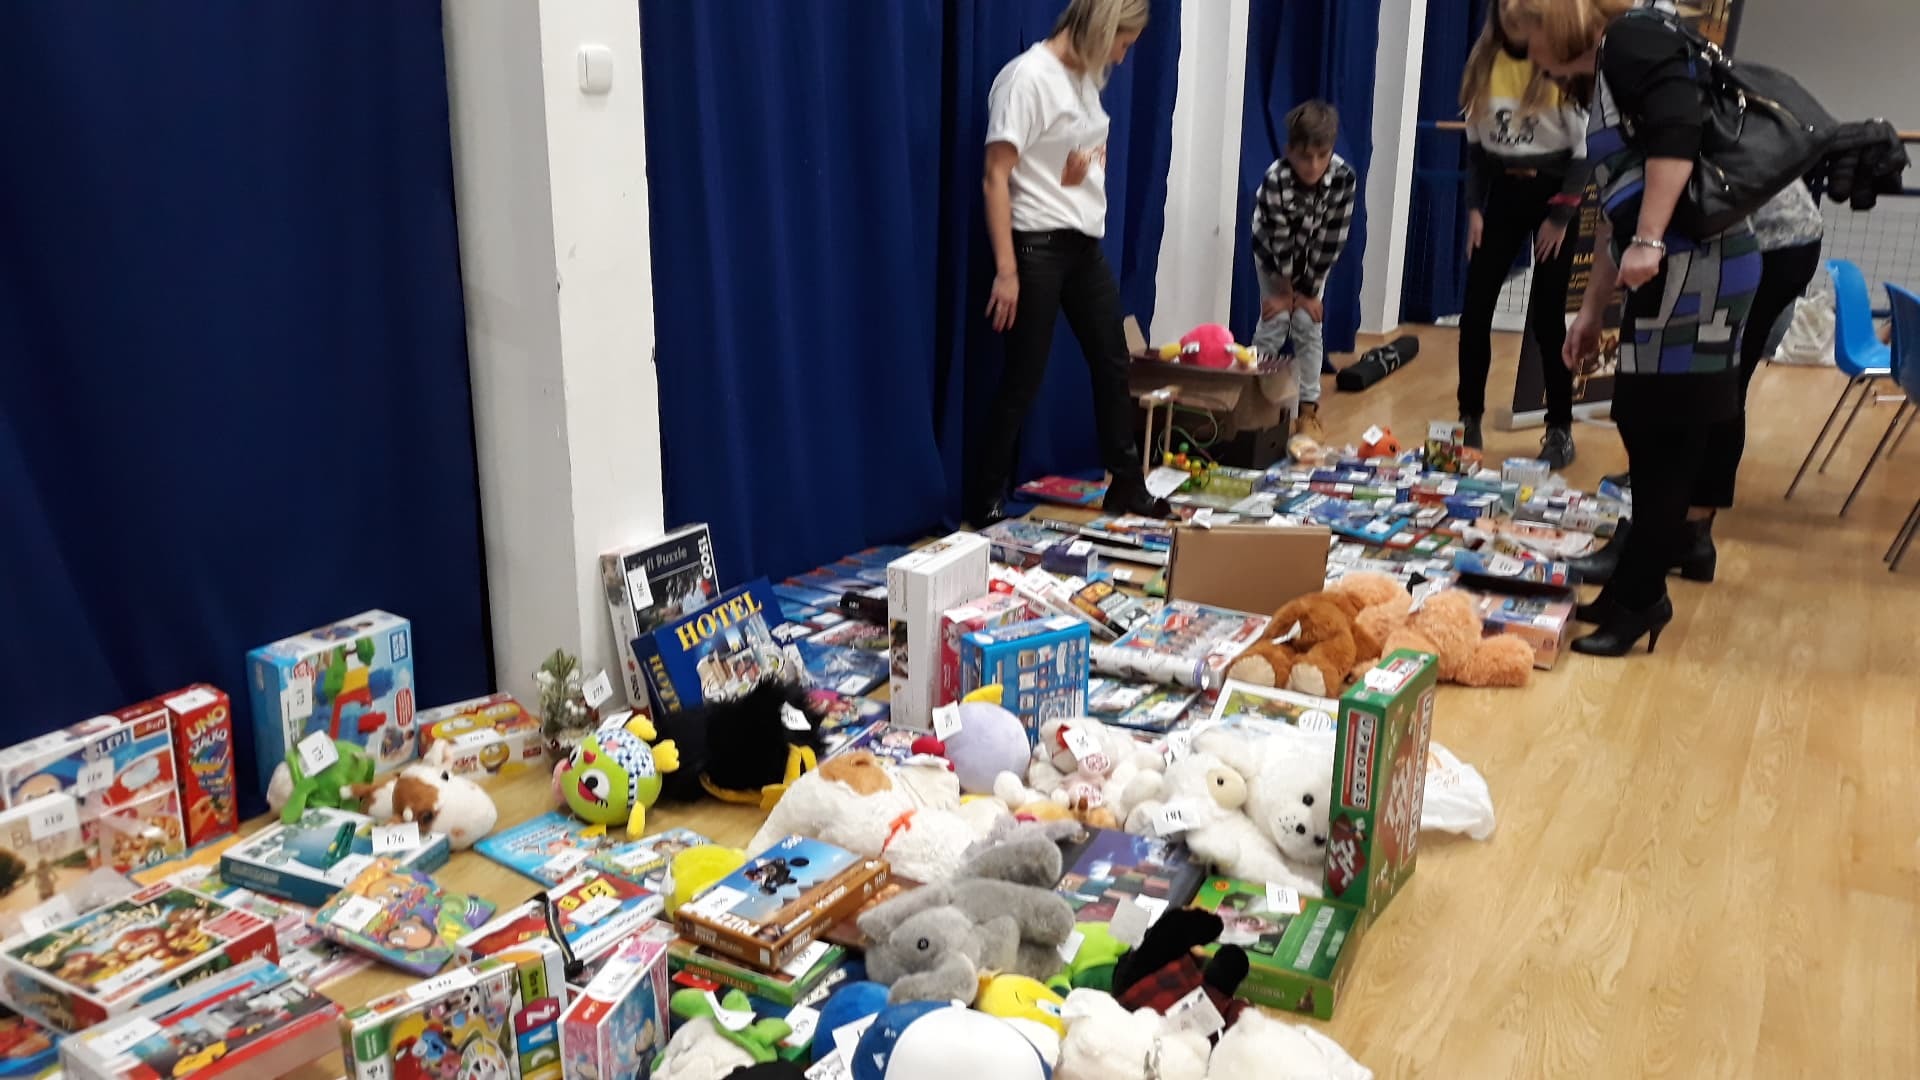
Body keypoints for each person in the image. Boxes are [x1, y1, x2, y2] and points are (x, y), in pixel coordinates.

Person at [1519, 0, 1761, 657]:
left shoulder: (1631, 38)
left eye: (1526, 31)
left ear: (1555, 21)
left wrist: (1650, 239)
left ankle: (1643, 597)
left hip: (1698, 271)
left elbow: (1679, 130)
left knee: (1667, 438)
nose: (1525, 51)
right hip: (1668, 271)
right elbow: (1616, 209)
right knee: (1641, 423)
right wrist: (1591, 310)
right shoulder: (1608, 71)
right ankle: (1631, 588)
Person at [974, 0, 1165, 525]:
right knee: (1024, 376)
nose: (1122, 58)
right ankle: (985, 496)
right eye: (1123, 44)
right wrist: (1007, 270)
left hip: (1082, 244)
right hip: (1035, 244)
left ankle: (1126, 484)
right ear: (1104, 29)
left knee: (1112, 359)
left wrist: (1082, 166)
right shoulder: (1027, 78)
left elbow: (1059, 168)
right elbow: (996, 176)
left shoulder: (1082, 80)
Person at [1456, 0, 1591, 466]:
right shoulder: (1482, 65)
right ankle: (1468, 418)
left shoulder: (1554, 65)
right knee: (1475, 311)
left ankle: (1560, 428)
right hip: (1503, 196)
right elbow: (1476, 154)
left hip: (1554, 196)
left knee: (1548, 318)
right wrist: (1475, 209)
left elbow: (1583, 154)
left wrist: (1560, 218)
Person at [1251, 101, 1359, 443]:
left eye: (1321, 156)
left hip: (1314, 259)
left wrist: (1308, 295)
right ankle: (1253, 402)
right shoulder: (1276, 179)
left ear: (1331, 150)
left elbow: (1331, 241)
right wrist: (1284, 294)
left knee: (1307, 323)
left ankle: (1308, 411)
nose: (1313, 166)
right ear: (1289, 151)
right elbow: (1278, 242)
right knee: (1275, 322)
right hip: (1273, 258)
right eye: (1304, 157)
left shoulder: (1343, 179)